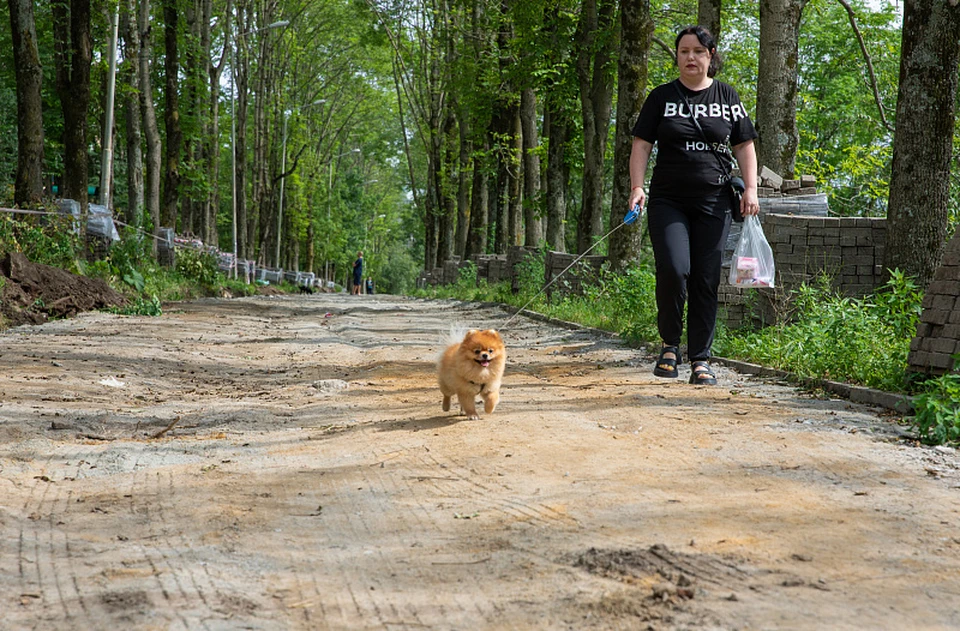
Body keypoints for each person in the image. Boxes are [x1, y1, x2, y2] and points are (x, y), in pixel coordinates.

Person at [628, 25, 760, 385]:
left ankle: (701, 358)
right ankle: (670, 344)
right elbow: (641, 144)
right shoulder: (661, 97)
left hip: (714, 202)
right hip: (668, 200)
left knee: (705, 279)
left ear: (710, 56)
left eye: (698, 52)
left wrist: (751, 189)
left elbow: (744, 145)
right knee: (674, 269)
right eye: (684, 51)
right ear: (677, 56)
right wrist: (637, 187)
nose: (690, 57)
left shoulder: (728, 96)